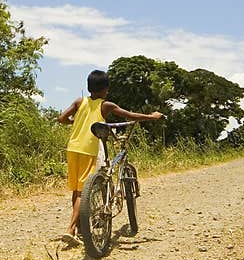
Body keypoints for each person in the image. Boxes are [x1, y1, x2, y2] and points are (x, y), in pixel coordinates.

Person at [57, 69, 164, 245]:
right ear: (105, 89)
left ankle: (81, 228)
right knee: (82, 192)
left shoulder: (79, 101)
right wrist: (152, 117)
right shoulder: (105, 105)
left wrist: (74, 122)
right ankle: (71, 230)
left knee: (76, 190)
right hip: (87, 150)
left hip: (72, 148)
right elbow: (130, 115)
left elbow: (62, 118)